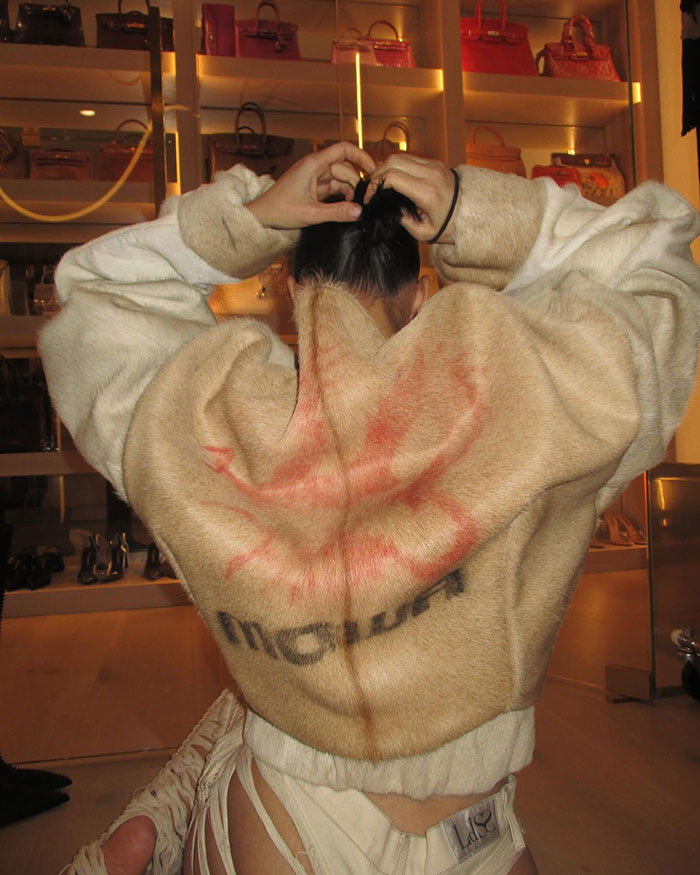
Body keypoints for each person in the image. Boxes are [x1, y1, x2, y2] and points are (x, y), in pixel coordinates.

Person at [42, 142, 700, 875]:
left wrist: (253, 218)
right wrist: (475, 212)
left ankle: (148, 829)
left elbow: (93, 291)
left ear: (291, 291)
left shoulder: (211, 419)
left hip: (286, 817)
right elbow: (660, 262)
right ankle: (159, 819)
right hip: (470, 816)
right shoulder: (525, 398)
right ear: (420, 295)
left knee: (237, 716)